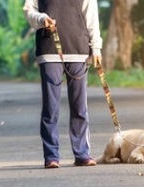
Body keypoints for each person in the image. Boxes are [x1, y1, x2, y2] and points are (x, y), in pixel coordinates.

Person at [23, 0, 102, 168]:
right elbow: (29, 11)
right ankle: (51, 156)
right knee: (50, 107)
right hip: (49, 49)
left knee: (79, 106)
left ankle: (82, 154)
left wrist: (96, 47)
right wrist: (41, 18)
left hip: (78, 49)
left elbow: (91, 16)